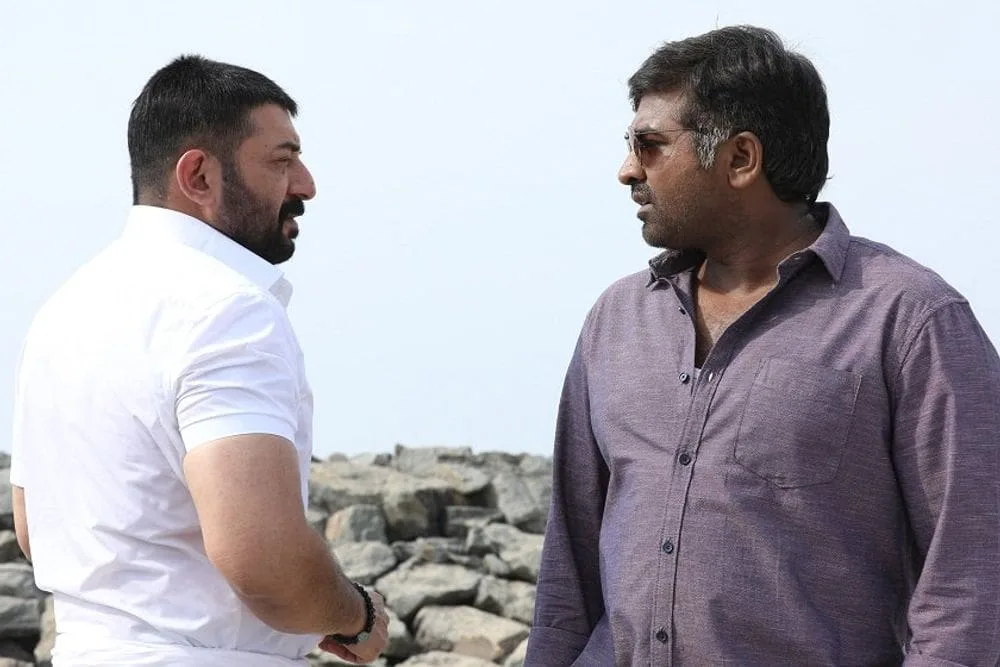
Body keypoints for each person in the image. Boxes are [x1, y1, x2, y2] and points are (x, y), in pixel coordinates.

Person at [525, 25, 1000, 666]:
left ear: (741, 158)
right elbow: (569, 572)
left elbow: (970, 574)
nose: (628, 169)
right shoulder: (617, 321)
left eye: (651, 145)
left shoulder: (911, 320)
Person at [10, 55, 389, 666]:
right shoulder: (228, 309)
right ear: (199, 175)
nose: (306, 185)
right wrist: (356, 614)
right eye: (282, 160)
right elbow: (263, 558)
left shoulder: (63, 310)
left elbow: (36, 528)